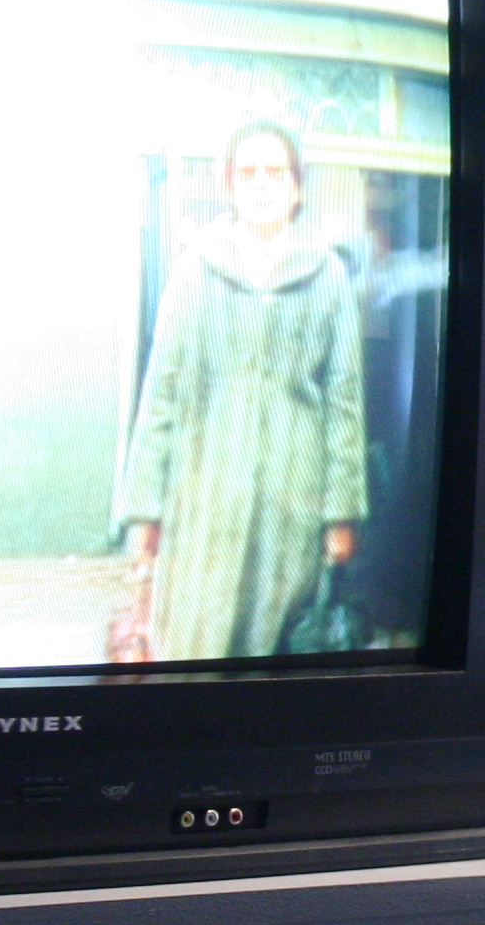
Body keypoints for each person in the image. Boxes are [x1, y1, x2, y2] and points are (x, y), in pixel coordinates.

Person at [114, 120, 367, 661]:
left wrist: (340, 514)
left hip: (291, 505)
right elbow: (161, 393)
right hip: (202, 503)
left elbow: (344, 402)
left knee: (270, 675)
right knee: (191, 661)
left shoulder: (327, 276)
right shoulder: (193, 271)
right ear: (228, 186)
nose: (261, 183)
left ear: (297, 189)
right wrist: (145, 514)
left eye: (275, 172)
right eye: (246, 171)